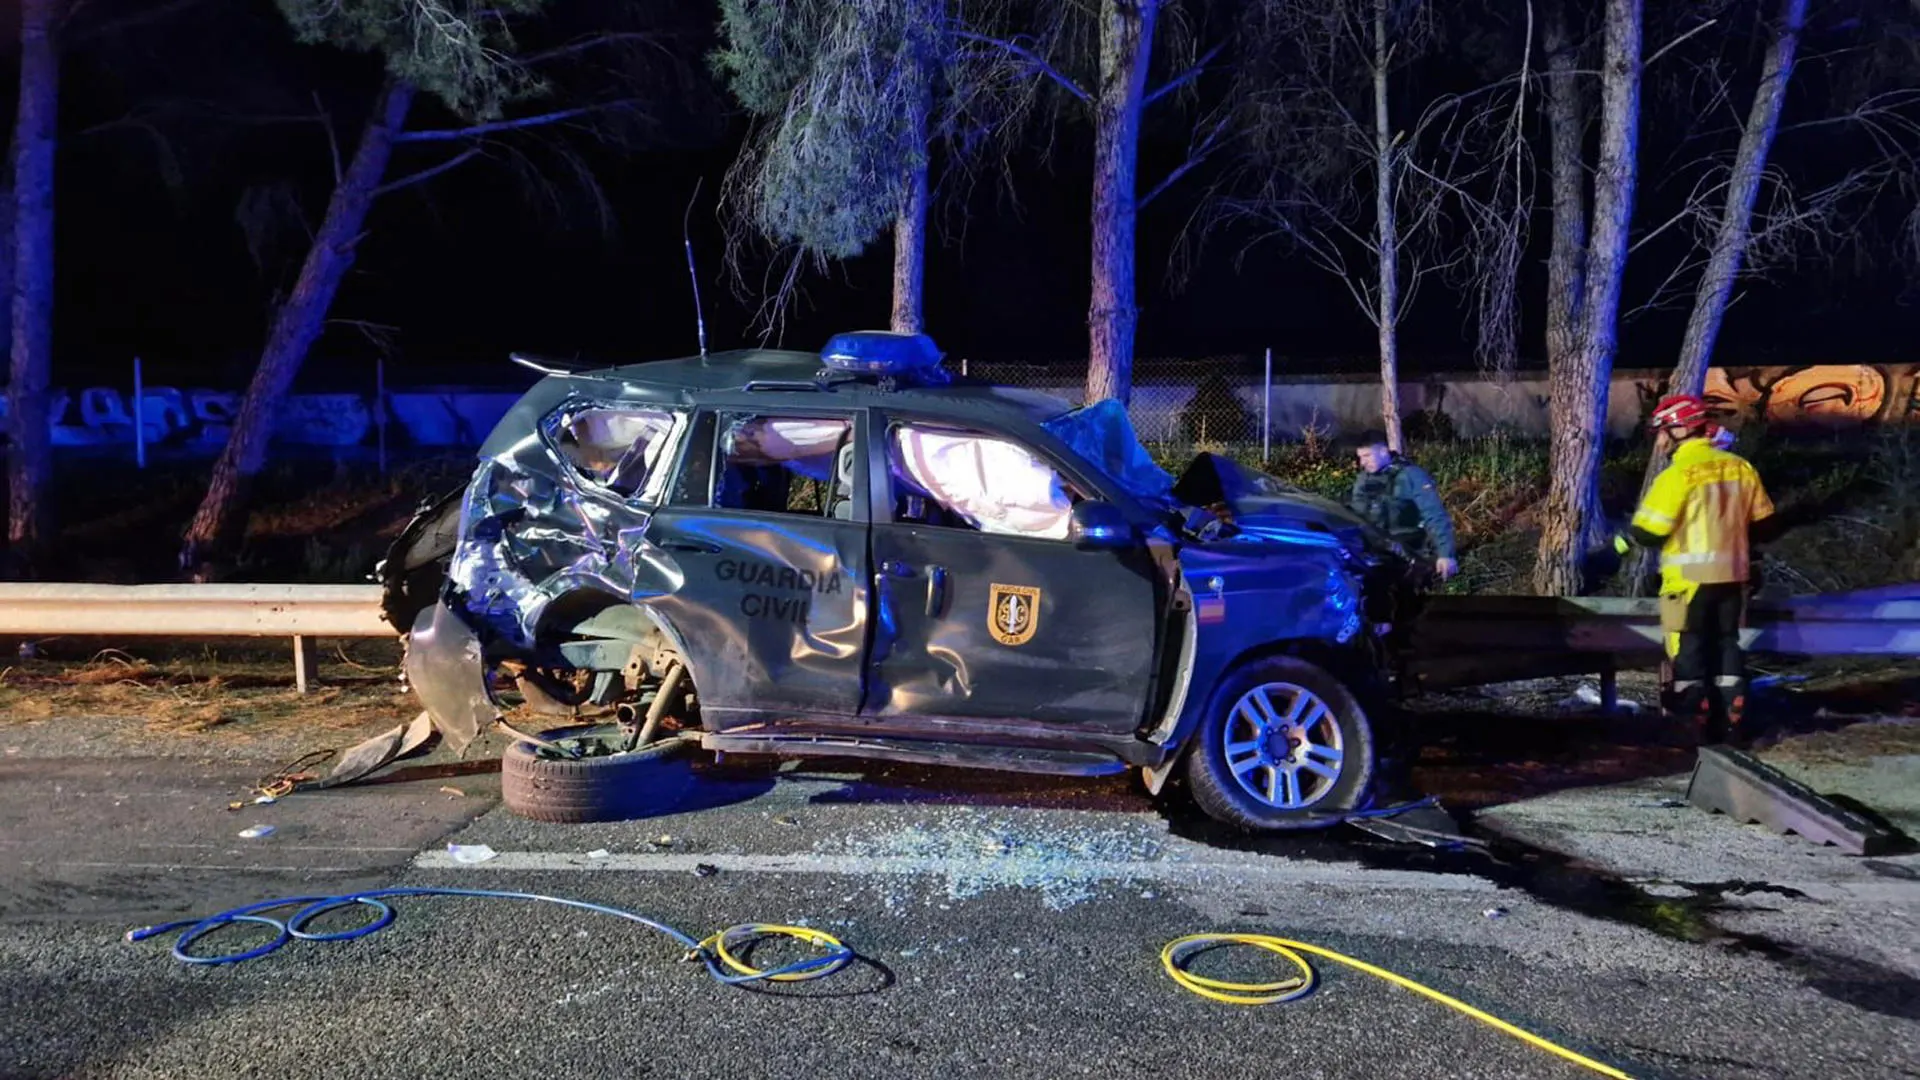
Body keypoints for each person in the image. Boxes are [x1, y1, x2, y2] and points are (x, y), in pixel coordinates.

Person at [1614, 394, 1777, 744]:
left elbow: (1647, 532)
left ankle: (1693, 726)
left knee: (1687, 651)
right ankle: (1732, 723)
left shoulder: (1677, 476)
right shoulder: (1740, 468)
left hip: (1686, 584)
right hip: (1734, 579)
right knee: (1728, 647)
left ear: (1682, 429)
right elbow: (1764, 525)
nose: (1659, 440)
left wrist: (1623, 542)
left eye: (1662, 431)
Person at [1347, 431, 1458, 581]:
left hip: (1408, 550)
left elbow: (1434, 514)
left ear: (1383, 451)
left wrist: (1446, 555)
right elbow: (1355, 515)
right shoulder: (1363, 479)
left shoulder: (1411, 476)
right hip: (1375, 549)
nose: (1362, 463)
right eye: (1360, 457)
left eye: (1367, 456)